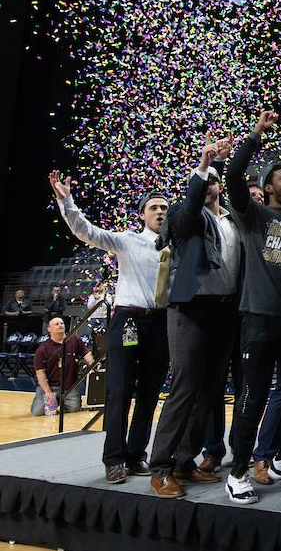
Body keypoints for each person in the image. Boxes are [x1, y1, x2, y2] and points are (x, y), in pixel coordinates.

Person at [50, 171, 171, 485]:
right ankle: (114, 459)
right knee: (120, 390)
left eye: (165, 208)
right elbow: (85, 232)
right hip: (129, 320)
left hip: (161, 322)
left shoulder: (175, 248)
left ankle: (135, 455)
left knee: (149, 393)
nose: (160, 212)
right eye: (154, 208)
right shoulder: (126, 241)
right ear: (142, 215)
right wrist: (68, 203)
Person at [222, 110, 281, 506]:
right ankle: (238, 470)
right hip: (258, 318)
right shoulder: (253, 216)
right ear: (268, 187)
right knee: (253, 397)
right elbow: (232, 178)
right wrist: (256, 134)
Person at [147, 139, 242, 498]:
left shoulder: (232, 221)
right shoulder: (183, 216)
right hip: (190, 309)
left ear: (220, 186)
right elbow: (188, 206)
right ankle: (161, 466)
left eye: (214, 180)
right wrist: (203, 164)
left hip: (224, 309)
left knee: (209, 391)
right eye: (204, 181)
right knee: (184, 388)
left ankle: (185, 462)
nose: (209, 186)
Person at [31, 317, 94, 415]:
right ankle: (52, 403)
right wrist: (48, 393)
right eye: (56, 324)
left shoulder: (75, 340)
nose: (60, 325)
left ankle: (63, 403)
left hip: (69, 387)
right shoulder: (43, 348)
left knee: (74, 409)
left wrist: (92, 363)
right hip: (50, 386)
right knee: (37, 412)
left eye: (62, 323)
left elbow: (86, 353)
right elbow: (40, 373)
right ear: (49, 329)